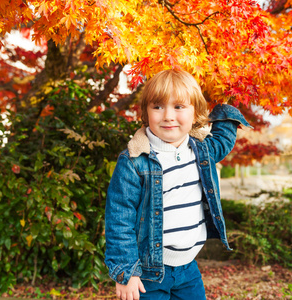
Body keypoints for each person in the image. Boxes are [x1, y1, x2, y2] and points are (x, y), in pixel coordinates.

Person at [104, 69, 252, 300]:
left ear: (195, 114)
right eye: (158, 106)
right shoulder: (135, 161)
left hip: (188, 268)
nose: (168, 116)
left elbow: (223, 140)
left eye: (179, 107)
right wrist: (126, 273)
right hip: (148, 273)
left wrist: (227, 107)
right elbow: (119, 218)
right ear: (145, 113)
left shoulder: (200, 151)